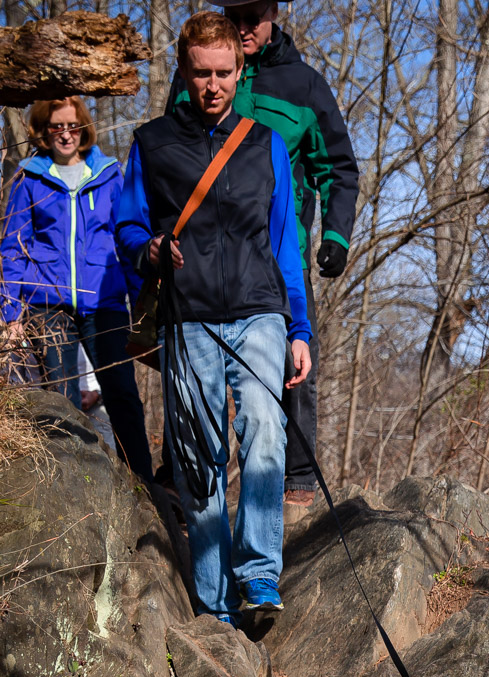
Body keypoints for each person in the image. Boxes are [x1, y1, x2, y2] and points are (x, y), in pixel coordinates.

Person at [116, 11, 312, 624]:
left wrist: (299, 328)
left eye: (225, 73)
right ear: (183, 70)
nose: (213, 85)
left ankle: (258, 579)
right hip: (188, 316)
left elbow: (286, 245)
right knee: (197, 457)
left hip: (259, 312)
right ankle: (215, 604)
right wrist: (148, 249)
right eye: (201, 73)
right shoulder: (151, 143)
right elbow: (124, 225)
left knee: (263, 431)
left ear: (240, 69)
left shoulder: (265, 144)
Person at [168, 0, 358, 509]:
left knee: (293, 363)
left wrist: (336, 236)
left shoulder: (303, 85)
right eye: (237, 14)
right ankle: (179, 472)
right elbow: (170, 158)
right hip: (202, 256)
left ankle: (297, 477)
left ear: (275, 11)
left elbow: (338, 167)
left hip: (278, 254)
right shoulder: (198, 73)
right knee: (188, 367)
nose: (246, 26)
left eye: (255, 15)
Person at [0, 96, 153, 483]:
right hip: (47, 306)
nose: (65, 134)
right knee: (61, 401)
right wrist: (11, 311)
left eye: (72, 125)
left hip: (104, 302)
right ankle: (68, 490)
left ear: (84, 128)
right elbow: (13, 245)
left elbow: (127, 241)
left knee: (121, 395)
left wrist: (142, 306)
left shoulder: (109, 175)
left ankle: (144, 487)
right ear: (44, 130)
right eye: (56, 127)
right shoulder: (29, 177)